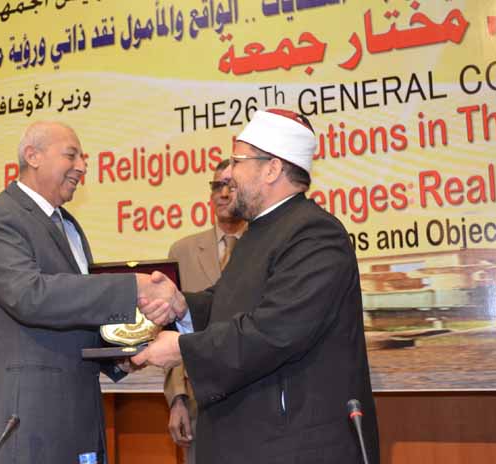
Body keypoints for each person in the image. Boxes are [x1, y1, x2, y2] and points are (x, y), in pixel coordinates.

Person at [135, 109, 380, 463]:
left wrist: (183, 349)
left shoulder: (314, 233)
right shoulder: (260, 232)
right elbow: (227, 304)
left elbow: (275, 330)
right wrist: (181, 306)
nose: (229, 174)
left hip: (294, 448)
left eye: (238, 161)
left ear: (272, 169)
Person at [0, 121, 179, 464]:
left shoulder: (70, 226)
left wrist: (121, 353)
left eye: (84, 158)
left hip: (77, 415)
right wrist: (132, 286)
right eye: (71, 155)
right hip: (22, 420)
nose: (82, 167)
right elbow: (30, 296)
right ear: (33, 156)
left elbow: (74, 311)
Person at [163, 159, 246, 462]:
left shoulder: (265, 247)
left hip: (254, 395)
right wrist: (177, 398)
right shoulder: (182, 252)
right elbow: (172, 328)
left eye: (231, 186)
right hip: (199, 402)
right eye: (217, 186)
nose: (223, 193)